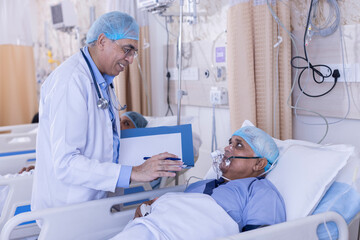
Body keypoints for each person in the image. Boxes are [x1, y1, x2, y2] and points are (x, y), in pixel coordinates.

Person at [31, 11, 183, 213]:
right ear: (102, 40)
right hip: (70, 208)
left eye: (134, 52)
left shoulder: (103, 82)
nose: (130, 60)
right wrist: (133, 173)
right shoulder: (70, 81)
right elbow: (66, 163)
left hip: (98, 203)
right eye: (127, 49)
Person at [113, 126, 286, 239]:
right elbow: (176, 211)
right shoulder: (202, 184)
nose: (227, 148)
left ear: (259, 163)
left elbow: (263, 235)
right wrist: (150, 205)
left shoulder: (258, 190)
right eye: (229, 143)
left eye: (238, 145)